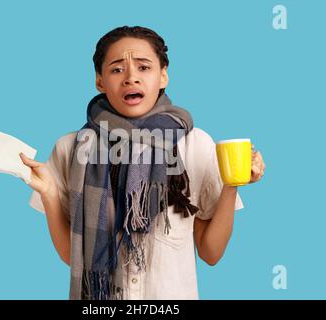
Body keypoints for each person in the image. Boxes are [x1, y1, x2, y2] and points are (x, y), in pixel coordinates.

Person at [19, 26, 266, 300]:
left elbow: (211, 253)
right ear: (99, 81)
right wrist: (50, 194)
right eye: (116, 70)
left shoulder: (196, 144)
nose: (131, 78)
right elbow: (73, 257)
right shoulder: (72, 149)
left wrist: (233, 185)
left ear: (163, 76)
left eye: (144, 67)